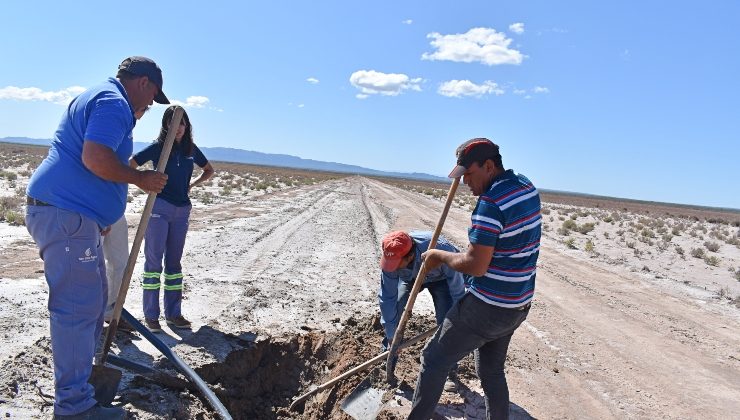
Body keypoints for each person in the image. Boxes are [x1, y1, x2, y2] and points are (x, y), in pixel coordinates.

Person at [25, 56, 169, 419]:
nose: (152, 104)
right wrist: (140, 179)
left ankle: (80, 387)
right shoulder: (113, 102)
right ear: (142, 82)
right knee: (76, 309)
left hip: (73, 217)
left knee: (92, 303)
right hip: (64, 214)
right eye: (153, 94)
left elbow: (90, 163)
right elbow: (95, 158)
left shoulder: (102, 97)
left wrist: (95, 216)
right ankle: (74, 408)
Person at [408, 138, 541, 420]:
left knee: (433, 360)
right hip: (518, 303)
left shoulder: (490, 204)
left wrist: (438, 256)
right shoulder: (525, 186)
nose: (466, 182)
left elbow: (476, 265)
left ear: (489, 166)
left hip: (487, 307)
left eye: (469, 174)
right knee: (491, 372)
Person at [130, 106, 214, 332]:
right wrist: (142, 181)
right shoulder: (159, 148)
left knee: (174, 265)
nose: (178, 128)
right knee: (153, 263)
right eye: (173, 123)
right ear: (166, 126)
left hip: (182, 210)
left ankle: (174, 315)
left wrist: (192, 185)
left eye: (182, 123)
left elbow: (209, 170)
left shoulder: (191, 150)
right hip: (158, 208)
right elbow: (131, 165)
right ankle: (151, 316)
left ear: (187, 127)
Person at [379, 230, 465, 351]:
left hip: (441, 279)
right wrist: (391, 335)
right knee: (396, 310)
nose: (392, 267)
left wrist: (459, 311)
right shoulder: (391, 257)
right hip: (410, 278)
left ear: (410, 256)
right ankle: (389, 355)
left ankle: (447, 363)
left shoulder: (441, 249)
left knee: (447, 319)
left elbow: (457, 285)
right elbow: (387, 297)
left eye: (396, 264)